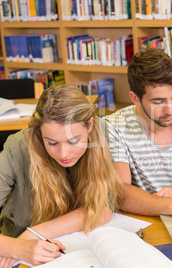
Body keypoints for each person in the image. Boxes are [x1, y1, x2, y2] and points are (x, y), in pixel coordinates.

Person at [0, 85, 124, 267]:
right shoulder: (16, 148)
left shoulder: (103, 132)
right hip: (25, 259)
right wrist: (17, 247)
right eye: (52, 142)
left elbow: (102, 210)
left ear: (90, 125)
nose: (64, 154)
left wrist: (32, 233)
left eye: (73, 141)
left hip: (79, 249)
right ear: (39, 133)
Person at [105, 48, 172, 216]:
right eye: (158, 102)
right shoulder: (115, 126)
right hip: (143, 220)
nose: (170, 109)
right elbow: (120, 192)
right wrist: (170, 206)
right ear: (135, 99)